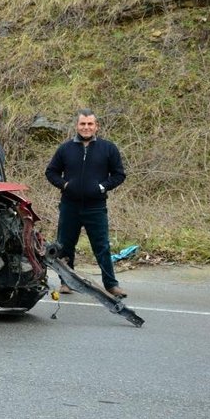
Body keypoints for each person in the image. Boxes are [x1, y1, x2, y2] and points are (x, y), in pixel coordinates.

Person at [45, 108, 127, 298]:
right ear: (77, 126)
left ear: (96, 126)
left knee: (102, 247)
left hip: (96, 207)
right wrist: (65, 184)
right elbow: (51, 172)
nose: (86, 127)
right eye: (83, 124)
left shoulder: (108, 148)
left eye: (90, 124)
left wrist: (102, 187)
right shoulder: (65, 149)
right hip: (70, 206)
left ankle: (111, 285)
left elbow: (119, 174)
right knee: (64, 246)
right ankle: (66, 282)